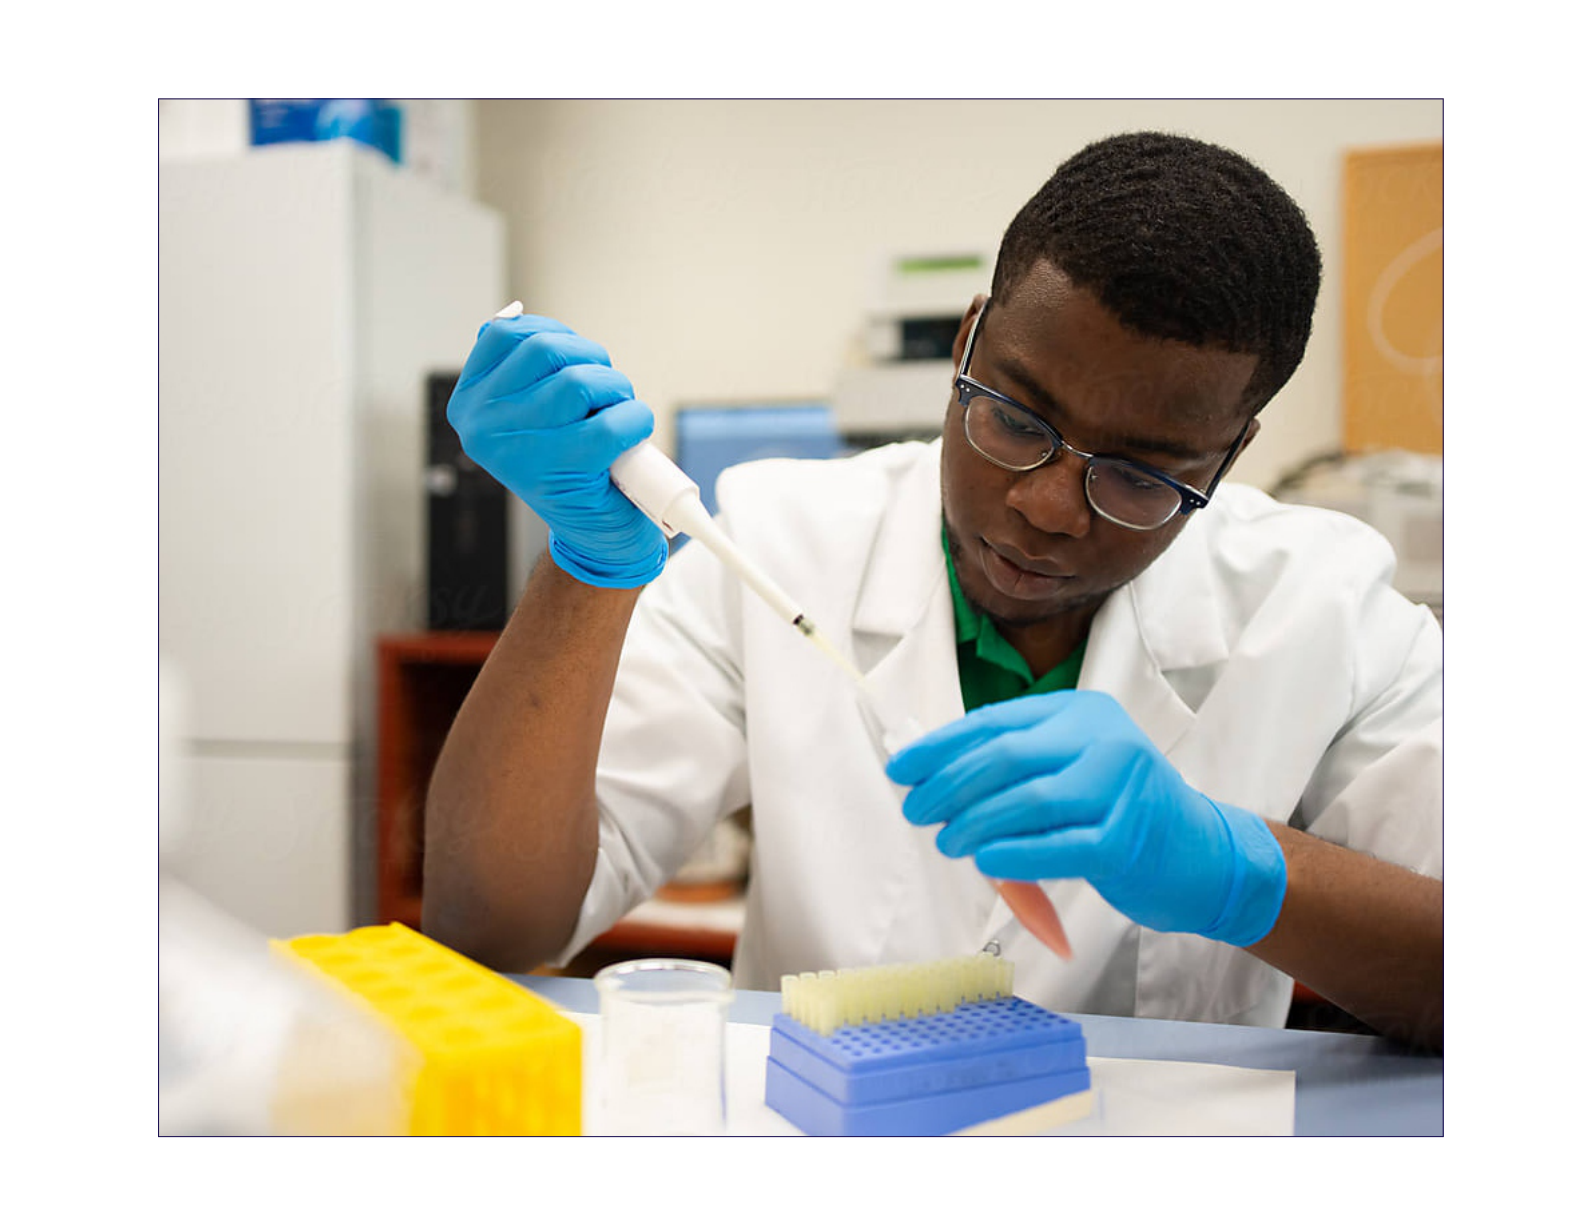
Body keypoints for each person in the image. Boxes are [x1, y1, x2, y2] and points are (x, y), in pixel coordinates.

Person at [423, 132, 1444, 1050]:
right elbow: (495, 925)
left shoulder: (1331, 608)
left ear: (1228, 457)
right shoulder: (777, 537)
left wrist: (1236, 871)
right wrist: (586, 568)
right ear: (966, 344)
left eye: (1139, 474)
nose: (1047, 507)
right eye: (1015, 417)